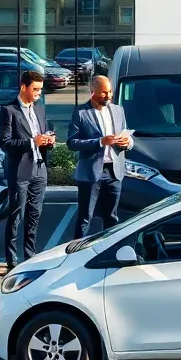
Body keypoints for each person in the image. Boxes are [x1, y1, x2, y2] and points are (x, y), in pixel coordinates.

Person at [0, 70, 54, 271]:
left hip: (40, 169)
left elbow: (43, 133)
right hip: (20, 170)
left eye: (40, 89)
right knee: (16, 215)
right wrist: (32, 142)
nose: (39, 92)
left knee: (35, 214)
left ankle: (30, 256)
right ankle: (11, 260)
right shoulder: (8, 111)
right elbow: (5, 143)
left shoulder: (39, 108)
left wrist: (48, 140)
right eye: (36, 89)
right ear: (24, 87)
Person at [66, 75, 133, 239]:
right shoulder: (81, 113)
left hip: (114, 172)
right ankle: (76, 255)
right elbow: (71, 142)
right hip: (91, 173)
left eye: (110, 91)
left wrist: (128, 142)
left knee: (112, 217)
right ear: (92, 91)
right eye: (104, 92)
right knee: (85, 218)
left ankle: (109, 252)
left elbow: (128, 135)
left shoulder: (118, 110)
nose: (108, 95)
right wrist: (99, 142)